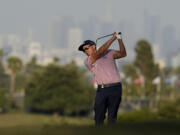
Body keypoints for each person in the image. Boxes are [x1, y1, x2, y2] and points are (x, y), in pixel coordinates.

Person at [78, 32, 127, 125]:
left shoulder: (109, 52)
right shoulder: (89, 60)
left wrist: (119, 39)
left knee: (112, 118)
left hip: (116, 88)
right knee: (99, 117)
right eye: (83, 50)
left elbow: (123, 54)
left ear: (94, 46)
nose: (85, 51)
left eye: (86, 48)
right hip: (102, 90)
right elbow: (100, 52)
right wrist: (113, 38)